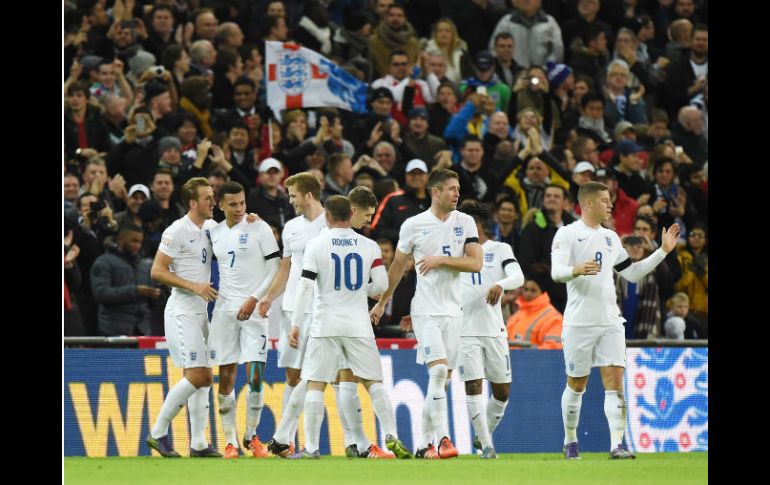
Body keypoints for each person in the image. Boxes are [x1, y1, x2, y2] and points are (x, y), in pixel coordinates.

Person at [269, 196, 411, 459]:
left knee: (315, 384)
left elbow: (305, 287)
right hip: (359, 324)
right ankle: (392, 434)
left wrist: (297, 324)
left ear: (327, 217)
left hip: (326, 324)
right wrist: (360, 290)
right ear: (350, 214)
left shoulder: (316, 244)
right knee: (373, 382)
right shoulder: (370, 246)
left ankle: (311, 448)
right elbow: (380, 286)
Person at [551, 181, 680, 460]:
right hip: (579, 323)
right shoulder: (567, 234)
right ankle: (570, 440)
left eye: (610, 200)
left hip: (610, 321)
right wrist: (575, 269)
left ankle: (617, 444)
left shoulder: (611, 238)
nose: (610, 205)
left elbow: (632, 273)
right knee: (577, 383)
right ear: (587, 204)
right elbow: (556, 272)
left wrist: (662, 251)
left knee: (615, 382)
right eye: (605, 200)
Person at [370, 169, 483, 459]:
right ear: (435, 192)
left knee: (441, 381)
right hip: (425, 310)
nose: (457, 194)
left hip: (453, 311)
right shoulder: (413, 225)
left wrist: (441, 260)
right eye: (451, 189)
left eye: (458, 189)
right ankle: (444, 440)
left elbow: (476, 263)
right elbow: (397, 266)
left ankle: (423, 443)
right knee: (437, 371)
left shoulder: (465, 222)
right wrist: (383, 301)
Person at [146, 177, 222, 458]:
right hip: (182, 310)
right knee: (196, 375)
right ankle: (157, 432)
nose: (212, 203)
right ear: (192, 203)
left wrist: (248, 221)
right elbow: (157, 270)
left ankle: (199, 443)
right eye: (207, 198)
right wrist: (194, 286)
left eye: (213, 197)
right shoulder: (177, 230)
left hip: (201, 311)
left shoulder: (212, 227)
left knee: (206, 377)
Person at [209, 181, 281, 459]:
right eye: (233, 204)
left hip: (253, 311)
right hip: (224, 311)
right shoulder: (212, 232)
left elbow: (274, 265)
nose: (240, 209)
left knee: (255, 375)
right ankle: (229, 442)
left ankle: (251, 437)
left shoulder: (259, 227)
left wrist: (255, 298)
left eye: (242, 203)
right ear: (221, 205)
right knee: (225, 375)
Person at [257, 173, 327, 452]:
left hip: (321, 308)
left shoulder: (330, 224)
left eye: (293, 195)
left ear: (308, 195)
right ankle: (288, 441)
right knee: (293, 376)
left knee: (319, 376)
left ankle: (348, 442)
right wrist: (268, 298)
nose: (290, 200)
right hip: (291, 309)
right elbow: (286, 268)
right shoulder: (291, 227)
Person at [458, 201, 524, 459]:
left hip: (494, 329)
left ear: (478, 224)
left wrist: (500, 283)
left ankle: (482, 433)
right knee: (473, 384)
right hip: (465, 330)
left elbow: (518, 277)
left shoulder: (499, 249)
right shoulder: (453, 254)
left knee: (502, 391)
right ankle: (487, 445)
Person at [90, 226, 160, 336]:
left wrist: (156, 295)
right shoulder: (103, 262)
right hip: (113, 330)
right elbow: (101, 294)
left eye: (140, 242)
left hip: (142, 329)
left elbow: (152, 300)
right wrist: (135, 291)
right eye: (134, 241)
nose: (138, 246)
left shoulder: (144, 265)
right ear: (121, 240)